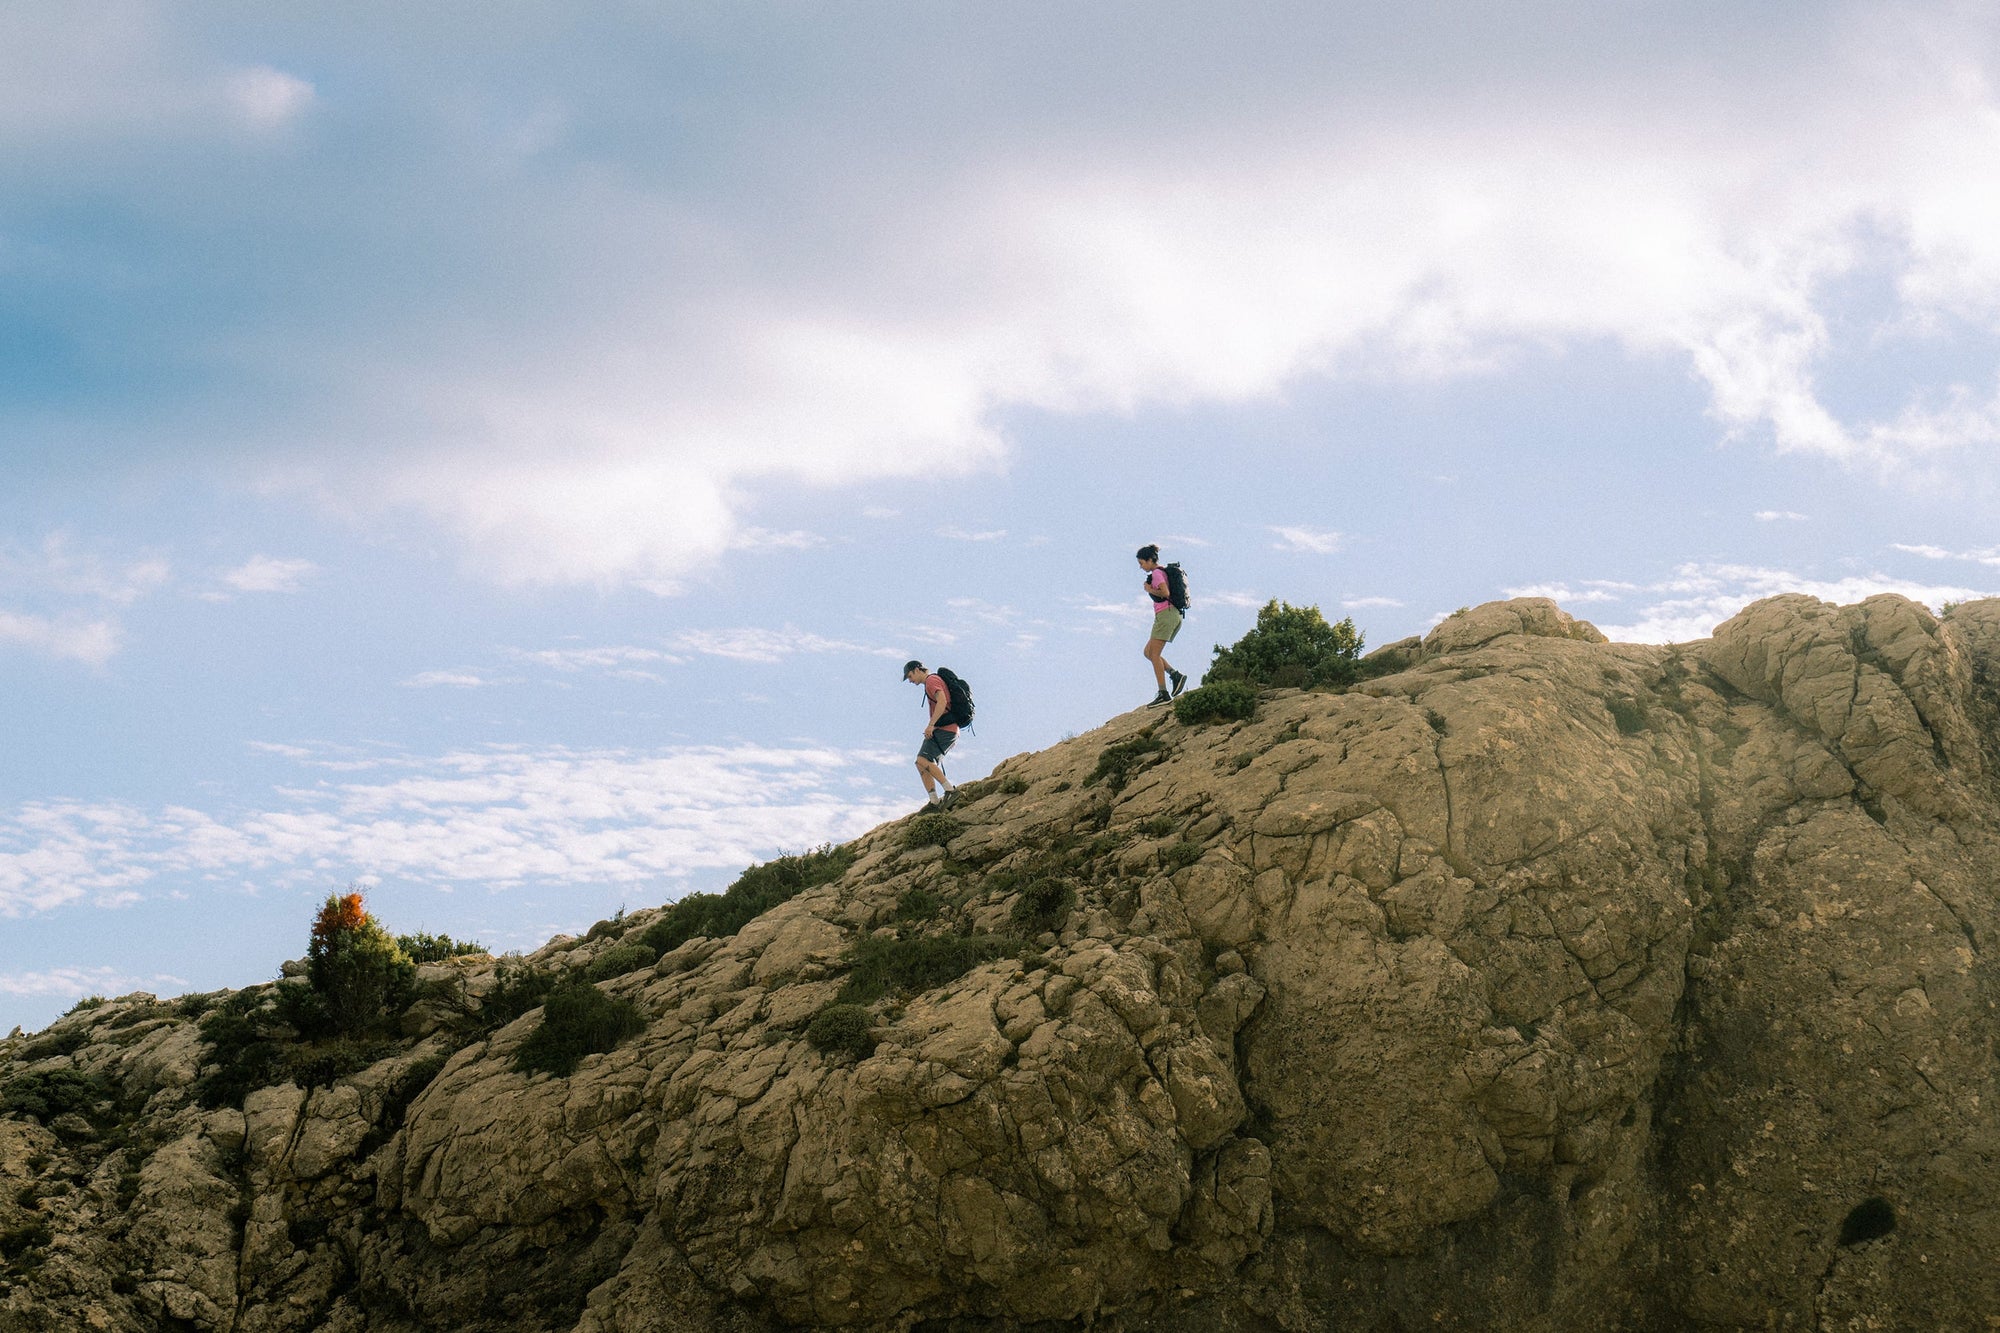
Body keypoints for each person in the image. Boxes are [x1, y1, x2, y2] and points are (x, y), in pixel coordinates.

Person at [902, 660, 960, 808]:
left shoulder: (931, 681)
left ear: (917, 670)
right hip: (946, 729)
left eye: (910, 676)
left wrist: (931, 725)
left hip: (945, 729)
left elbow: (942, 701)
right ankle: (934, 801)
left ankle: (950, 790)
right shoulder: (932, 681)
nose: (910, 680)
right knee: (920, 762)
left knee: (923, 759)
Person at [1136, 544, 1188, 706]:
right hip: (1171, 615)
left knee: (1154, 654)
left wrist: (1149, 590)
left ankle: (1163, 693)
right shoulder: (1161, 572)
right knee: (1148, 652)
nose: (1141, 566)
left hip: (1166, 614)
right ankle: (1175, 675)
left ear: (1150, 560)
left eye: (1142, 562)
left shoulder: (1157, 574)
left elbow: (1165, 593)